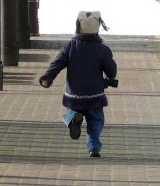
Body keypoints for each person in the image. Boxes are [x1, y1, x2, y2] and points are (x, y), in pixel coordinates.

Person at [39, 11, 117, 158]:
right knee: (96, 120)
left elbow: (57, 63)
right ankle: (93, 147)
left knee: (72, 111)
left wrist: (47, 77)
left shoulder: (70, 46)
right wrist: (110, 76)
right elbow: (111, 71)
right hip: (95, 94)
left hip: (74, 93)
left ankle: (72, 119)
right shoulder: (103, 50)